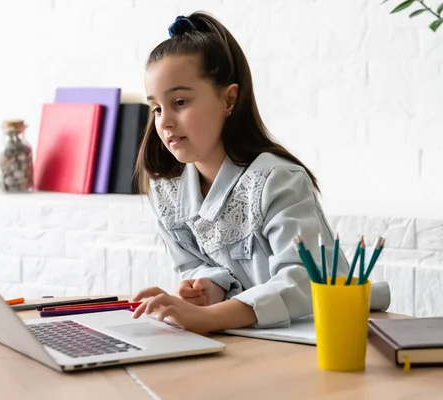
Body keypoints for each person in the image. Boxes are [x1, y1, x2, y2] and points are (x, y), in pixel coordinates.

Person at [130, 11, 390, 334]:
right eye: (156, 108)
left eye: (180, 101)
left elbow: (305, 281)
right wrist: (205, 289)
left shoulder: (277, 182)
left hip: (325, 338)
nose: (164, 122)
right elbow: (193, 265)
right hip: (246, 344)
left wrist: (208, 318)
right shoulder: (166, 192)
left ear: (229, 99)